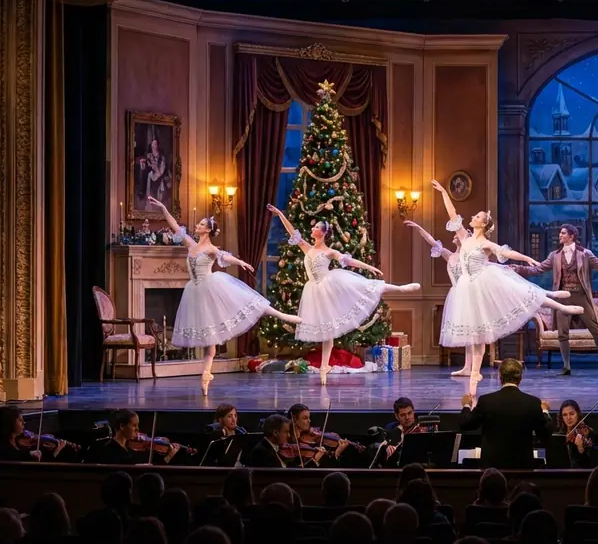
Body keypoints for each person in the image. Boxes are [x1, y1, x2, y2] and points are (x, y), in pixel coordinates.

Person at [431, 179, 583, 391]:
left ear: (483, 224)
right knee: (476, 332)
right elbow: (452, 214)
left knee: (523, 293)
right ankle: (474, 373)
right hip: (466, 287)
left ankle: (561, 305)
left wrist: (526, 258)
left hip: (484, 281)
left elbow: (506, 252)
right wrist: (443, 193)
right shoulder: (464, 238)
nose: (473, 217)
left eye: (477, 216)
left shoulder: (485, 243)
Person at [148, 196, 301, 396]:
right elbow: (175, 226)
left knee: (249, 302)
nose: (197, 225)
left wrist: (240, 262)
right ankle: (206, 375)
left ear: (208, 230)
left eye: (201, 224)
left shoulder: (211, 249)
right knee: (209, 339)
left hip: (211, 286)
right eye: (199, 223)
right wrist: (163, 208)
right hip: (195, 292)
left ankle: (282, 315)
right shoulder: (190, 244)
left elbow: (224, 257)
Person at [268, 204, 419, 384]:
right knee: (327, 331)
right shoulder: (307, 248)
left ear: (323, 233)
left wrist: (369, 267)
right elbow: (293, 232)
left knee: (367, 286)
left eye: (316, 227)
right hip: (314, 290)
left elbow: (349, 261)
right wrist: (279, 214)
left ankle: (401, 288)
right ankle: (324, 367)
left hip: (329, 284)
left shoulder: (329, 251)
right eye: (314, 227)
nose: (313, 228)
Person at [510, 224, 598, 375]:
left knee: (596, 330)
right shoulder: (555, 255)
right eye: (560, 233)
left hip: (580, 296)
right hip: (563, 298)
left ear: (572, 236)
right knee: (563, 333)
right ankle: (566, 366)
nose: (560, 235)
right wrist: (517, 268)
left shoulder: (585, 254)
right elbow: (538, 269)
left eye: (563, 233)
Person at [458, 359, 552, 469]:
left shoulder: (486, 401)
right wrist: (545, 410)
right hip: (522, 469)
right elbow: (545, 433)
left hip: (492, 470)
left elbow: (465, 423)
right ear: (520, 378)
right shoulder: (533, 402)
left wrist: (466, 405)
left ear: (500, 377)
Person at [85, 409, 180, 465]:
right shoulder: (113, 450)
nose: (137, 429)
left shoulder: (128, 450)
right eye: (134, 425)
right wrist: (168, 458)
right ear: (122, 426)